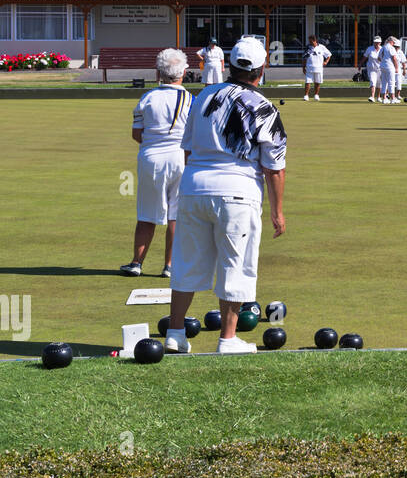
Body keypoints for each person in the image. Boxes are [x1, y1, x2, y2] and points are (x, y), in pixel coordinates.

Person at [165, 36, 286, 355]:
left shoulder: (202, 96)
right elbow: (274, 168)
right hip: (238, 193)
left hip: (193, 188)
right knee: (236, 264)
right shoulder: (265, 107)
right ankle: (228, 339)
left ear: (230, 65)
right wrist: (277, 212)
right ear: (261, 70)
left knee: (186, 262)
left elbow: (188, 149)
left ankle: (175, 334)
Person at [120, 49, 192, 279]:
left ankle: (136, 263)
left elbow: (136, 134)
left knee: (147, 214)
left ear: (158, 73)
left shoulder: (147, 98)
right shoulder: (191, 99)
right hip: (181, 158)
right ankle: (170, 266)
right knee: (175, 214)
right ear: (184, 72)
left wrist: (154, 143)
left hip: (151, 159)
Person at [302, 34, 331, 101]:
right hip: (309, 68)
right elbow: (304, 58)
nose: (310, 43)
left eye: (311, 41)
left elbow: (329, 55)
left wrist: (326, 62)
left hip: (319, 68)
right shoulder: (308, 48)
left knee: (317, 82)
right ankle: (306, 96)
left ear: (315, 40)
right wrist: (303, 68)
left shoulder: (322, 47)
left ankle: (316, 95)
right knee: (307, 82)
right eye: (309, 41)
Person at [382, 36, 402, 103]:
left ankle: (384, 99)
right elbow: (394, 58)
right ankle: (393, 99)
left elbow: (379, 57)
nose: (394, 44)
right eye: (394, 42)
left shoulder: (383, 47)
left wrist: (384, 61)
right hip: (389, 67)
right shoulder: (391, 48)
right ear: (391, 41)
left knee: (384, 83)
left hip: (383, 66)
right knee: (391, 82)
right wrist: (396, 68)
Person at [364, 36, 384, 102]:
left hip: (380, 69)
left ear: (380, 43)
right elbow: (365, 57)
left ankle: (378, 97)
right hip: (371, 69)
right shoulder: (369, 49)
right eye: (375, 42)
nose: (376, 44)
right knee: (373, 82)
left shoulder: (383, 49)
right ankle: (372, 97)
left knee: (379, 84)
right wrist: (360, 65)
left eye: (378, 42)